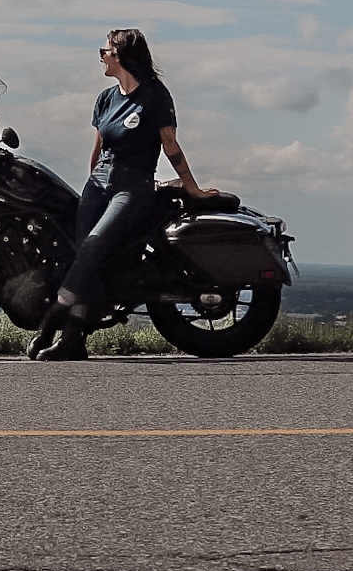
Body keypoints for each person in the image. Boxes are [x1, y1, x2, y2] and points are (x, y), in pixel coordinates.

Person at [31, 28, 217, 362]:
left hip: (133, 186)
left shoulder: (156, 97)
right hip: (99, 184)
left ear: (120, 56)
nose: (100, 57)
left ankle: (51, 320)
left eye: (104, 51)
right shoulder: (105, 98)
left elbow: (170, 147)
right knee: (83, 257)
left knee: (92, 246)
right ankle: (73, 340)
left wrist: (192, 187)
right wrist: (90, 188)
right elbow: (99, 147)